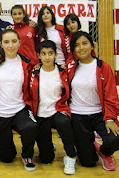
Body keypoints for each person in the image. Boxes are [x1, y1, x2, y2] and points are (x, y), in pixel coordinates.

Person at [68, 31, 119, 171]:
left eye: (85, 43)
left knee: (115, 139)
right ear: (73, 50)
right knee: (88, 162)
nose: (81, 48)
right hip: (78, 115)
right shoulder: (70, 68)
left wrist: (110, 118)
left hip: (99, 114)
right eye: (77, 45)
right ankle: (89, 144)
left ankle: (105, 153)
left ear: (92, 46)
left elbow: (111, 96)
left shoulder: (103, 67)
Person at [0, 29, 38, 171]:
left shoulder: (27, 64)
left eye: (14, 41)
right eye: (6, 42)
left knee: (30, 127)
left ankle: (27, 155)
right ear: (1, 44)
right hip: (0, 113)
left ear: (19, 43)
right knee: (6, 158)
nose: (10, 45)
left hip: (20, 109)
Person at [29, 40, 76, 175]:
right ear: (39, 55)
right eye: (43, 54)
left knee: (64, 121)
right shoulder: (34, 73)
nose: (47, 57)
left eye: (50, 53)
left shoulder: (62, 72)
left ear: (56, 54)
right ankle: (48, 146)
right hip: (41, 115)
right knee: (46, 159)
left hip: (57, 110)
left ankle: (70, 155)